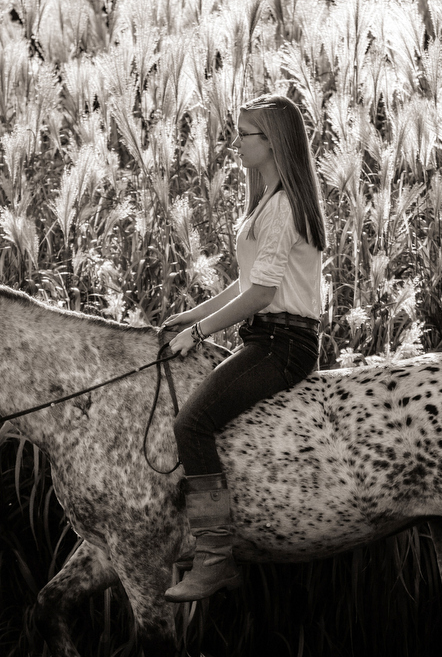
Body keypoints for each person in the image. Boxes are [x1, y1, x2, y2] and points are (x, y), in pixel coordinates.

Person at [160, 93, 327, 602]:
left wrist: (200, 333)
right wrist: (192, 314)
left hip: (284, 343)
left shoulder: (282, 207)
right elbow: (247, 283)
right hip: (266, 336)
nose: (235, 142)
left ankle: (214, 559)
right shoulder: (268, 202)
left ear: (272, 141)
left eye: (245, 133)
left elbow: (261, 294)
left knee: (192, 423)